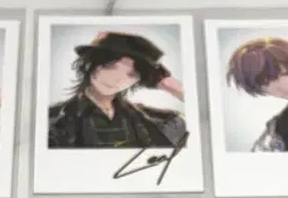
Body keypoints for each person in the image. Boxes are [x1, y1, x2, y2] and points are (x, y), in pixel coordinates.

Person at [48, 31, 187, 149]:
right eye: (111, 66)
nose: (117, 79)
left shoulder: (150, 120)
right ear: (91, 64)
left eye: (131, 74)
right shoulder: (55, 121)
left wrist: (169, 85)